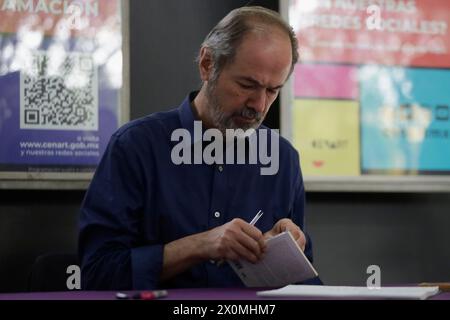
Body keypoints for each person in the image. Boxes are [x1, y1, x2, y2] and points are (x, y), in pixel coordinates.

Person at [79, 6, 321, 290]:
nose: (259, 105)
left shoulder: (283, 158)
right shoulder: (135, 148)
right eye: (247, 85)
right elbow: (97, 273)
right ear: (208, 64)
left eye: (272, 90)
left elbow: (305, 286)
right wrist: (201, 245)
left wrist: (282, 249)